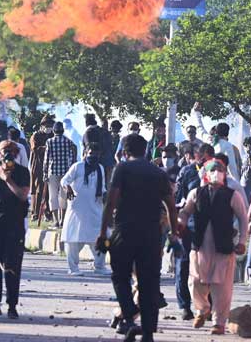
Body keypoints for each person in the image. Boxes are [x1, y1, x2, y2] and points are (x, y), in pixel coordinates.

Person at [97, 134, 178, 342]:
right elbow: (170, 205)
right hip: (151, 234)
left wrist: (102, 232)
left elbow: (111, 203)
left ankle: (130, 315)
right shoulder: (158, 173)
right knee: (149, 282)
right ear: (145, 150)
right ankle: (148, 332)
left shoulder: (122, 169)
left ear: (125, 151)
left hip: (125, 231)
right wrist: (174, 232)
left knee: (120, 276)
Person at [178, 159, 248, 335]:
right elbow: (186, 211)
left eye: (220, 169)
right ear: (205, 173)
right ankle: (202, 311)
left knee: (222, 288)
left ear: (225, 174)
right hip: (200, 245)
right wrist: (180, 223)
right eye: (213, 169)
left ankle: (219, 322)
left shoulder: (233, 195)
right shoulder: (196, 193)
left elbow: (242, 218)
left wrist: (241, 241)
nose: (216, 172)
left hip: (223, 246)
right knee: (194, 281)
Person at [0, 142, 31, 320]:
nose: (9, 154)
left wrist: (7, 179)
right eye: (5, 151)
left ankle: (12, 305)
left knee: (12, 266)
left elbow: (22, 194)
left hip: (15, 224)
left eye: (12, 151)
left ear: (17, 153)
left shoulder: (22, 172)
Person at [174, 144, 215, 321]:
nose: (205, 161)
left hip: (211, 228)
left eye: (208, 158)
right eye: (203, 158)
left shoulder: (219, 173)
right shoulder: (187, 172)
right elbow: (179, 200)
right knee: (183, 265)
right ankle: (185, 306)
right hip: (189, 226)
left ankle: (209, 306)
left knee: (209, 268)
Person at [60, 143, 108, 276]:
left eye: (96, 154)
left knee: (98, 238)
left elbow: (102, 187)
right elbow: (64, 181)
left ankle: (99, 266)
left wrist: (105, 196)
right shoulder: (78, 167)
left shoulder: (100, 168)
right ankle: (73, 268)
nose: (93, 156)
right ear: (86, 153)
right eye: (91, 153)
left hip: (95, 209)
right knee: (73, 240)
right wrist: (68, 188)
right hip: (77, 210)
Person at [43, 121, 77, 227]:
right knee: (63, 196)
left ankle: (56, 220)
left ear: (53, 131)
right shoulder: (68, 141)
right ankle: (63, 220)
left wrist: (44, 172)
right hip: (65, 172)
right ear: (63, 130)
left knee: (53, 197)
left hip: (52, 171)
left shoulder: (49, 141)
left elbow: (47, 159)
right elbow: (73, 152)